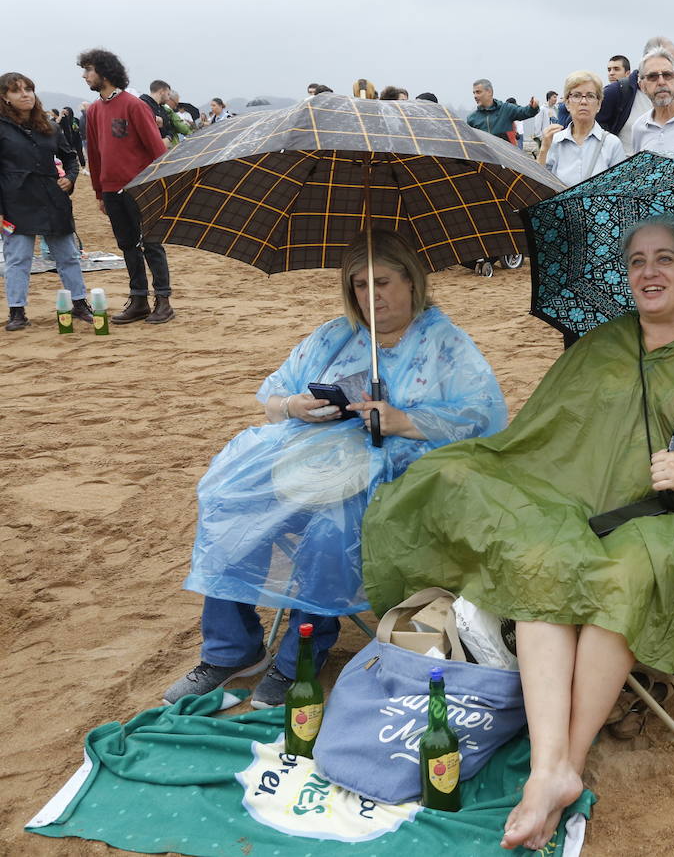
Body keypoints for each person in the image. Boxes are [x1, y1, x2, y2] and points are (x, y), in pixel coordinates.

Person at [359, 215, 674, 851]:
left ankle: (562, 766)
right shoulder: (604, 342)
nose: (649, 273)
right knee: (537, 545)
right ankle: (551, 768)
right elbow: (541, 435)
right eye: (636, 262)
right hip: (579, 506)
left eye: (664, 260)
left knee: (623, 571)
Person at [163, 229, 506, 708]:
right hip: (319, 458)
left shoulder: (444, 344)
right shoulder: (335, 335)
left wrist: (404, 420)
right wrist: (296, 406)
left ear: (412, 280)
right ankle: (232, 648)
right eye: (360, 285)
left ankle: (300, 656)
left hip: (403, 474)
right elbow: (273, 396)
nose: (372, 296)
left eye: (383, 282)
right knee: (228, 497)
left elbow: (483, 415)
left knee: (331, 523)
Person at [78, 48, 175, 324]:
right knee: (127, 245)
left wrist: (160, 185)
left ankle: (164, 301)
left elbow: (156, 148)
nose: (85, 76)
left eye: (89, 70)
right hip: (111, 190)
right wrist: (99, 192)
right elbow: (94, 155)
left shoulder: (134, 105)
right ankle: (139, 300)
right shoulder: (95, 110)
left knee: (151, 243)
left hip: (140, 188)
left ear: (105, 72)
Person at [0, 73, 92, 331]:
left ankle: (80, 304)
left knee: (69, 256)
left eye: (28, 89)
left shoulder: (49, 126)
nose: (25, 94)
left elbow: (71, 157)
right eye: (17, 91)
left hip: (53, 199)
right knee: (18, 258)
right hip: (16, 201)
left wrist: (70, 179)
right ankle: (17, 311)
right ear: (4, 97)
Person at [537, 70, 626, 185]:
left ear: (599, 104)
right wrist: (544, 150)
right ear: (567, 103)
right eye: (577, 95)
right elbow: (539, 185)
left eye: (590, 96)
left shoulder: (612, 144)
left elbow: (619, 187)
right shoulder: (554, 141)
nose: (583, 101)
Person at [467, 80, 538, 145]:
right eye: (474, 93)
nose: (475, 96)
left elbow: (525, 112)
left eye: (478, 92)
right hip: (485, 157)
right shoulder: (472, 118)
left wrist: (533, 107)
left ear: (489, 92)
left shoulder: (506, 109)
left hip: (506, 156)